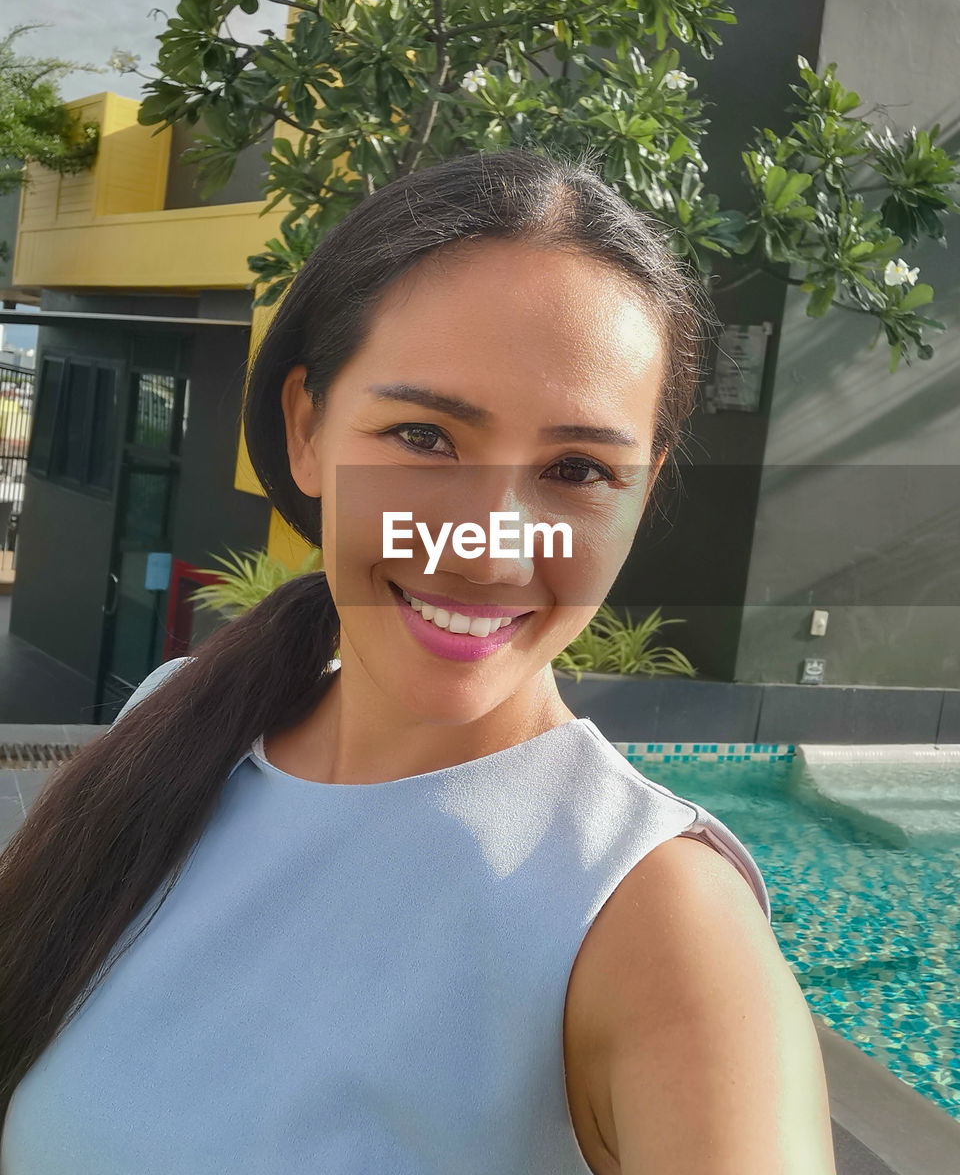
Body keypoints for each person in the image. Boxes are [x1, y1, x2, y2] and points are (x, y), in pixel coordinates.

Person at [0, 149, 837, 1174]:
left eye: (577, 469)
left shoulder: (656, 926)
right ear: (307, 429)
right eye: (424, 436)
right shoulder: (179, 720)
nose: (488, 542)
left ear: (641, 489)